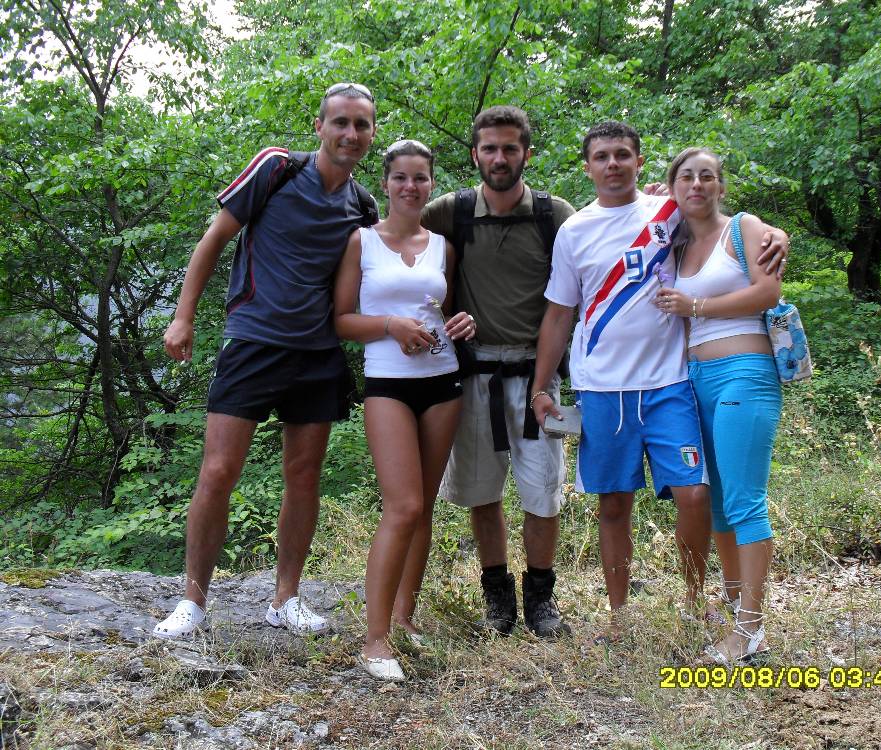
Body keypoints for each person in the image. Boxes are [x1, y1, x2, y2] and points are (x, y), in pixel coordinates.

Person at [531, 123, 788, 630]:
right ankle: (619, 616)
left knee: (695, 495)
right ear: (587, 166)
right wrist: (541, 387)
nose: (612, 164)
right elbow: (559, 313)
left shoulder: (666, 212)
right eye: (601, 156)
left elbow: (724, 223)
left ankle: (694, 602)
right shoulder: (574, 230)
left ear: (639, 162)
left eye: (622, 154)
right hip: (603, 388)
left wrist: (777, 234)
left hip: (671, 382)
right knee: (614, 504)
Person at [155, 83, 378, 639]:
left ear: (372, 133)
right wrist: (183, 317)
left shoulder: (363, 206)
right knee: (218, 471)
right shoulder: (276, 167)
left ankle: (286, 599)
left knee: (303, 476)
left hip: (318, 353)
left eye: (362, 124)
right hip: (253, 341)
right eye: (341, 122)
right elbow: (214, 239)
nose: (351, 133)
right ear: (320, 127)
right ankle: (193, 602)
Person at [420, 106, 576, 637]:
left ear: (526, 153)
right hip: (474, 374)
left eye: (510, 148)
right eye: (490, 148)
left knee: (543, 493)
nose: (500, 158)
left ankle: (541, 600)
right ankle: (497, 599)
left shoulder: (554, 215)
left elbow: (603, 252)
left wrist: (657, 204)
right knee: (482, 492)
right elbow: (397, 238)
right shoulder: (452, 211)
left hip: (538, 376)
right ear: (475, 154)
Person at [333, 140, 475, 681]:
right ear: (386, 183)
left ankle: (404, 616)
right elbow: (341, 320)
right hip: (388, 384)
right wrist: (390, 325)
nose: (411, 187)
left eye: (420, 178)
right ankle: (375, 641)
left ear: (431, 184)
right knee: (403, 505)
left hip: (443, 383)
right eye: (401, 178)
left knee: (424, 508)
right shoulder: (362, 242)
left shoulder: (442, 247)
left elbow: (450, 312)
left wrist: (465, 323)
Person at [655, 147, 782, 662]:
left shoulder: (744, 228)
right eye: (686, 177)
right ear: (673, 187)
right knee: (720, 503)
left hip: (745, 373)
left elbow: (767, 292)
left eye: (707, 176)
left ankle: (750, 631)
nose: (697, 184)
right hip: (696, 379)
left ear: (721, 186)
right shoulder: (677, 244)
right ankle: (735, 608)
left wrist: (697, 306)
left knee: (746, 501)